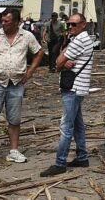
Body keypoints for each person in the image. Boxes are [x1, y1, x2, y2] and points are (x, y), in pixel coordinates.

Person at [0, 8, 43, 169]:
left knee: (14, 119)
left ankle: (13, 150)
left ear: (17, 22)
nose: (3, 24)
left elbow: (39, 52)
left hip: (16, 83)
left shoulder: (27, 37)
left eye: (7, 21)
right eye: (2, 21)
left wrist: (30, 71)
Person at [40, 13, 94, 176]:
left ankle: (60, 163)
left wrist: (62, 63)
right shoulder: (77, 39)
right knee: (77, 124)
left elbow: (57, 62)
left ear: (83, 25)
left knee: (66, 126)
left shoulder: (80, 40)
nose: (70, 27)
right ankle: (82, 156)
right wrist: (62, 62)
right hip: (77, 87)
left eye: (74, 24)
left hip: (73, 88)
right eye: (69, 24)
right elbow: (61, 59)